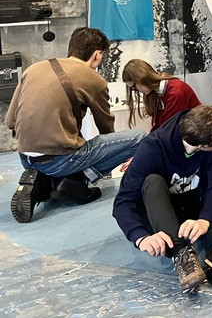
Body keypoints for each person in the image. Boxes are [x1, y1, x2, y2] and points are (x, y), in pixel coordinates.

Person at [6, 27, 144, 223]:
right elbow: (106, 128)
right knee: (139, 138)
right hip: (59, 160)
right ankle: (75, 181)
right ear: (97, 54)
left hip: (25, 157)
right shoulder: (93, 79)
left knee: (71, 148)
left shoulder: (33, 69)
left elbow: (10, 121)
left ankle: (43, 181)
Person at [112, 105, 212, 292]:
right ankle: (181, 254)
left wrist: (205, 219)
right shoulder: (152, 148)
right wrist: (140, 237)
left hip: (194, 209)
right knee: (152, 181)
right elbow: (123, 203)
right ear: (203, 145)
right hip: (162, 215)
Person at [122, 59, 201, 132]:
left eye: (134, 86)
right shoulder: (155, 92)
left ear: (142, 79)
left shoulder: (176, 92)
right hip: (180, 132)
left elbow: (168, 128)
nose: (137, 91)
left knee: (140, 135)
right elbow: (159, 126)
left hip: (195, 133)